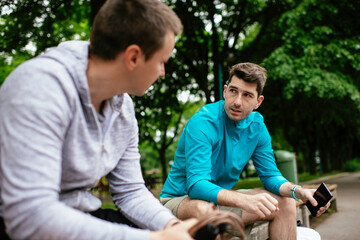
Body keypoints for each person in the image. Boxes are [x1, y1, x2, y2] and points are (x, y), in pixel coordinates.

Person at [0, 0, 199, 239]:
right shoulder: (40, 88)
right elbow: (29, 216)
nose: (162, 72)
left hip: (78, 214)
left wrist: (174, 228)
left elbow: (130, 191)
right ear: (133, 57)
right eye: (162, 61)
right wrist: (153, 238)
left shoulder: (123, 108)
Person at [160, 62, 330, 239]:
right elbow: (196, 186)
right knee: (206, 211)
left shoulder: (257, 126)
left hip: (218, 201)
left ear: (258, 102)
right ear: (225, 91)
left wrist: (298, 191)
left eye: (247, 95)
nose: (237, 101)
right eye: (233, 91)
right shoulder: (203, 122)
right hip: (179, 200)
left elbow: (271, 175)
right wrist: (244, 200)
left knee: (284, 203)